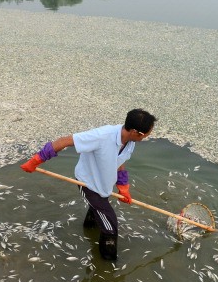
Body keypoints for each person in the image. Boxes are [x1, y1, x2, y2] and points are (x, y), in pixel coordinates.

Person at [21, 109, 157, 261]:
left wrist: (123, 187)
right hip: (88, 184)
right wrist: (36, 160)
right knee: (110, 227)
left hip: (103, 185)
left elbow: (119, 162)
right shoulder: (102, 136)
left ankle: (89, 228)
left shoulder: (130, 142)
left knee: (97, 210)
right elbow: (64, 141)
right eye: (146, 135)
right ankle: (107, 266)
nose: (146, 137)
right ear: (135, 132)